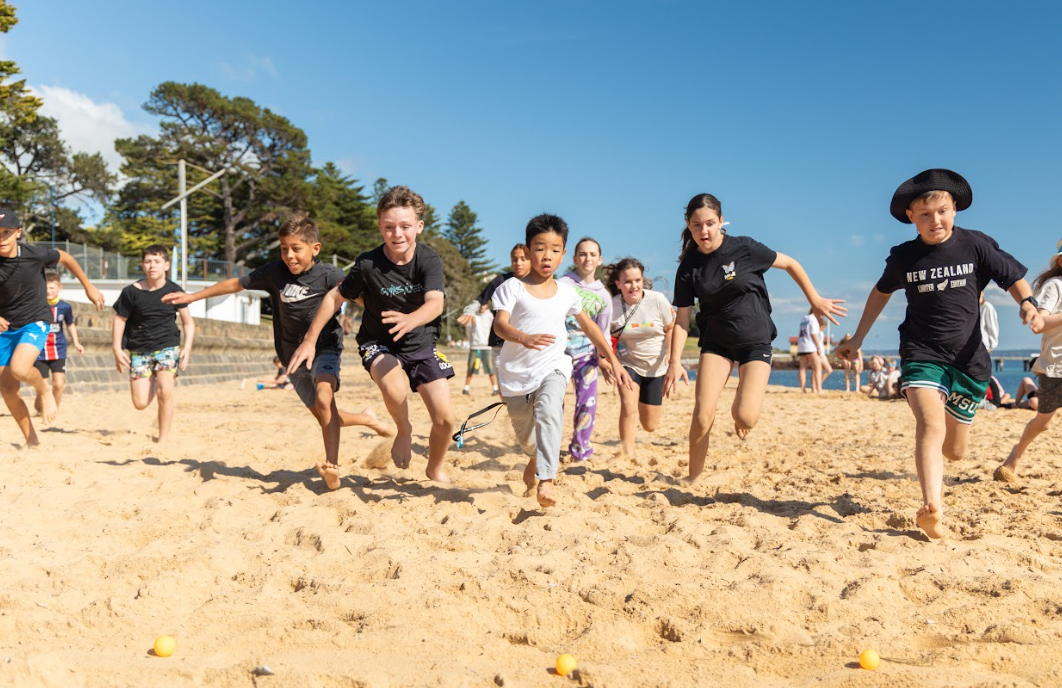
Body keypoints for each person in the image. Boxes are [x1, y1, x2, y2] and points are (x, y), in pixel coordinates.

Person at [835, 169, 1043, 539]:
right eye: (926, 214)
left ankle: (945, 458)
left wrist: (1028, 303)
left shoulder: (975, 245)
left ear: (955, 209)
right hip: (921, 353)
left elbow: (1012, 277)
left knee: (955, 451)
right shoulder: (904, 257)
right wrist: (860, 337)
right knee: (930, 424)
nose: (936, 221)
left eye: (943, 211)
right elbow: (881, 292)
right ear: (911, 217)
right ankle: (932, 506)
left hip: (969, 362)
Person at [165, 213, 390, 487]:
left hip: (324, 348)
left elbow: (363, 299)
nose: (289, 256)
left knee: (324, 398)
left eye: (296, 249)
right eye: (284, 249)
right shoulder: (275, 272)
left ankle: (331, 468)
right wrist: (192, 296)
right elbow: (236, 284)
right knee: (325, 415)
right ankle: (367, 418)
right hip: (291, 357)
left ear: (315, 248)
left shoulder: (331, 275)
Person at [664, 193, 845, 483]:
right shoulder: (689, 267)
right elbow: (682, 320)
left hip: (755, 340)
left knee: (745, 417)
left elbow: (791, 264)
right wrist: (674, 362)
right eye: (697, 225)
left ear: (721, 221)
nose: (704, 231)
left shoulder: (744, 248)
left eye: (710, 223)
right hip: (716, 344)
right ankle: (693, 477)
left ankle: (742, 401)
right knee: (702, 414)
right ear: (688, 224)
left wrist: (815, 299)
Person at [289, 186, 454, 484]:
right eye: (389, 227)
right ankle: (404, 430)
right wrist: (310, 340)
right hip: (378, 342)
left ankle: (435, 466)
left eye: (405, 226)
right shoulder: (368, 264)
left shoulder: (428, 259)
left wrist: (410, 320)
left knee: (445, 420)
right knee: (394, 388)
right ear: (380, 227)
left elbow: (436, 302)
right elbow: (334, 297)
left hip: (420, 342)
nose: (397, 234)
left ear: (419, 226)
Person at [491, 214, 632, 507]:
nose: (547, 256)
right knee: (527, 438)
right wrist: (523, 337)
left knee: (549, 409)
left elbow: (591, 327)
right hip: (516, 374)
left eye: (555, 250)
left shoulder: (567, 292)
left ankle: (546, 479)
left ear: (563, 253)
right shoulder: (511, 288)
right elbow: (500, 326)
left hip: (553, 366)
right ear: (527, 251)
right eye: (540, 248)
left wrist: (613, 360)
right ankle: (535, 457)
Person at [0, 209, 104, 446]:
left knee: (20, 369)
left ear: (18, 232)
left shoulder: (34, 254)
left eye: (7, 232)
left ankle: (44, 389)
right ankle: (32, 441)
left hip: (34, 320)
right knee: (7, 389)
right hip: (5, 328)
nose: (2, 238)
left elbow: (66, 258)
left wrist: (88, 286)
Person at [112, 245, 195, 443]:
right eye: (148, 261)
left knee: (164, 392)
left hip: (167, 346)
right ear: (143, 265)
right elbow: (120, 319)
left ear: (166, 265)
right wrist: (116, 348)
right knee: (140, 403)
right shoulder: (131, 292)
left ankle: (162, 438)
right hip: (139, 349)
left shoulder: (174, 291)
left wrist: (187, 348)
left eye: (157, 261)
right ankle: (156, 378)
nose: (152, 266)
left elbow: (188, 323)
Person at [995, 247, 1062, 482]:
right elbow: (1039, 323)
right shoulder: (1055, 286)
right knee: (1044, 423)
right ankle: (1016, 455)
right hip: (1056, 365)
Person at [603, 257, 674, 458]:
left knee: (650, 425)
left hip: (656, 367)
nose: (633, 286)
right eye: (627, 282)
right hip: (628, 364)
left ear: (643, 280)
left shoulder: (657, 300)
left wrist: (671, 355)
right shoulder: (612, 306)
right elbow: (603, 336)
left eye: (637, 280)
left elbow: (671, 328)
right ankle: (628, 453)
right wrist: (606, 361)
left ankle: (646, 403)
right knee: (628, 406)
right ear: (618, 283)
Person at [557, 237, 613, 461]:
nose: (587, 258)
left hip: (586, 356)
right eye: (582, 254)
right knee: (554, 402)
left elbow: (603, 332)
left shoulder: (604, 296)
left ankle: (580, 449)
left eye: (592, 254)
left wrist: (605, 359)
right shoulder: (562, 285)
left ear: (599, 260)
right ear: (574, 258)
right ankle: (550, 446)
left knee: (587, 403)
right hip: (558, 354)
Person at [458, 243, 530, 376]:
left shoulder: (538, 283)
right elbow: (482, 299)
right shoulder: (501, 281)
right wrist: (470, 311)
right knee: (503, 383)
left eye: (523, 259)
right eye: (514, 259)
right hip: (500, 342)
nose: (518, 263)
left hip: (527, 343)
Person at [33, 270, 84, 415]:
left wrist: (76, 342)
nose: (48, 291)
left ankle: (53, 410)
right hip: (40, 351)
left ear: (59, 288)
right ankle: (40, 406)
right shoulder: (36, 306)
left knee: (58, 384)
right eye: (46, 287)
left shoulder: (65, 307)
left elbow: (70, 325)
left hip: (59, 350)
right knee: (42, 385)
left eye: (52, 287)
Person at [461, 302, 498, 395]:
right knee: (471, 367)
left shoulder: (490, 316)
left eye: (484, 304)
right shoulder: (473, 316)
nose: (482, 307)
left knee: (490, 368)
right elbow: (468, 331)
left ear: (487, 305)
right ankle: (466, 388)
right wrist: (472, 341)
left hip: (487, 347)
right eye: (481, 305)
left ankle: (495, 388)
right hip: (475, 346)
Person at [796, 309, 821, 393]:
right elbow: (813, 334)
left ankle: (803, 389)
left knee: (803, 368)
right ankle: (819, 389)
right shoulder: (813, 319)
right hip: (810, 346)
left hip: (802, 345)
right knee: (817, 367)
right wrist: (819, 347)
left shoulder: (804, 319)